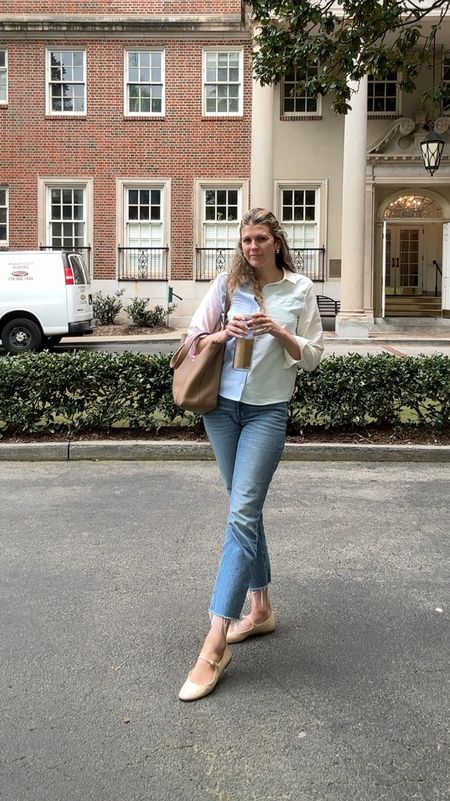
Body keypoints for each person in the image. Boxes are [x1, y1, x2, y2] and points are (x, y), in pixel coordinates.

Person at [178, 208, 324, 702]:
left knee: (242, 513)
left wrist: (277, 331)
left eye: (261, 239)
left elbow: (314, 355)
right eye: (246, 240)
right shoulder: (224, 285)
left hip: (267, 413)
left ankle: (215, 641)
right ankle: (259, 608)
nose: (252, 248)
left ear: (277, 243)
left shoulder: (300, 290)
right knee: (245, 509)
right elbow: (191, 339)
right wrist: (226, 333)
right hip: (220, 410)